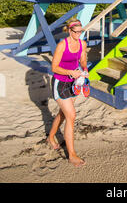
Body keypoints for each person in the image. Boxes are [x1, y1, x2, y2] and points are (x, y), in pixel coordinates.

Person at [48, 18, 88, 167]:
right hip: (60, 84)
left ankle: (51, 137)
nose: (79, 34)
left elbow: (83, 61)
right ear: (69, 31)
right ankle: (72, 155)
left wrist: (84, 71)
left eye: (80, 32)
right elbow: (54, 67)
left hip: (74, 83)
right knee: (71, 115)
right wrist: (70, 72)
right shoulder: (62, 45)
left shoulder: (82, 44)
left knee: (64, 114)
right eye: (76, 32)